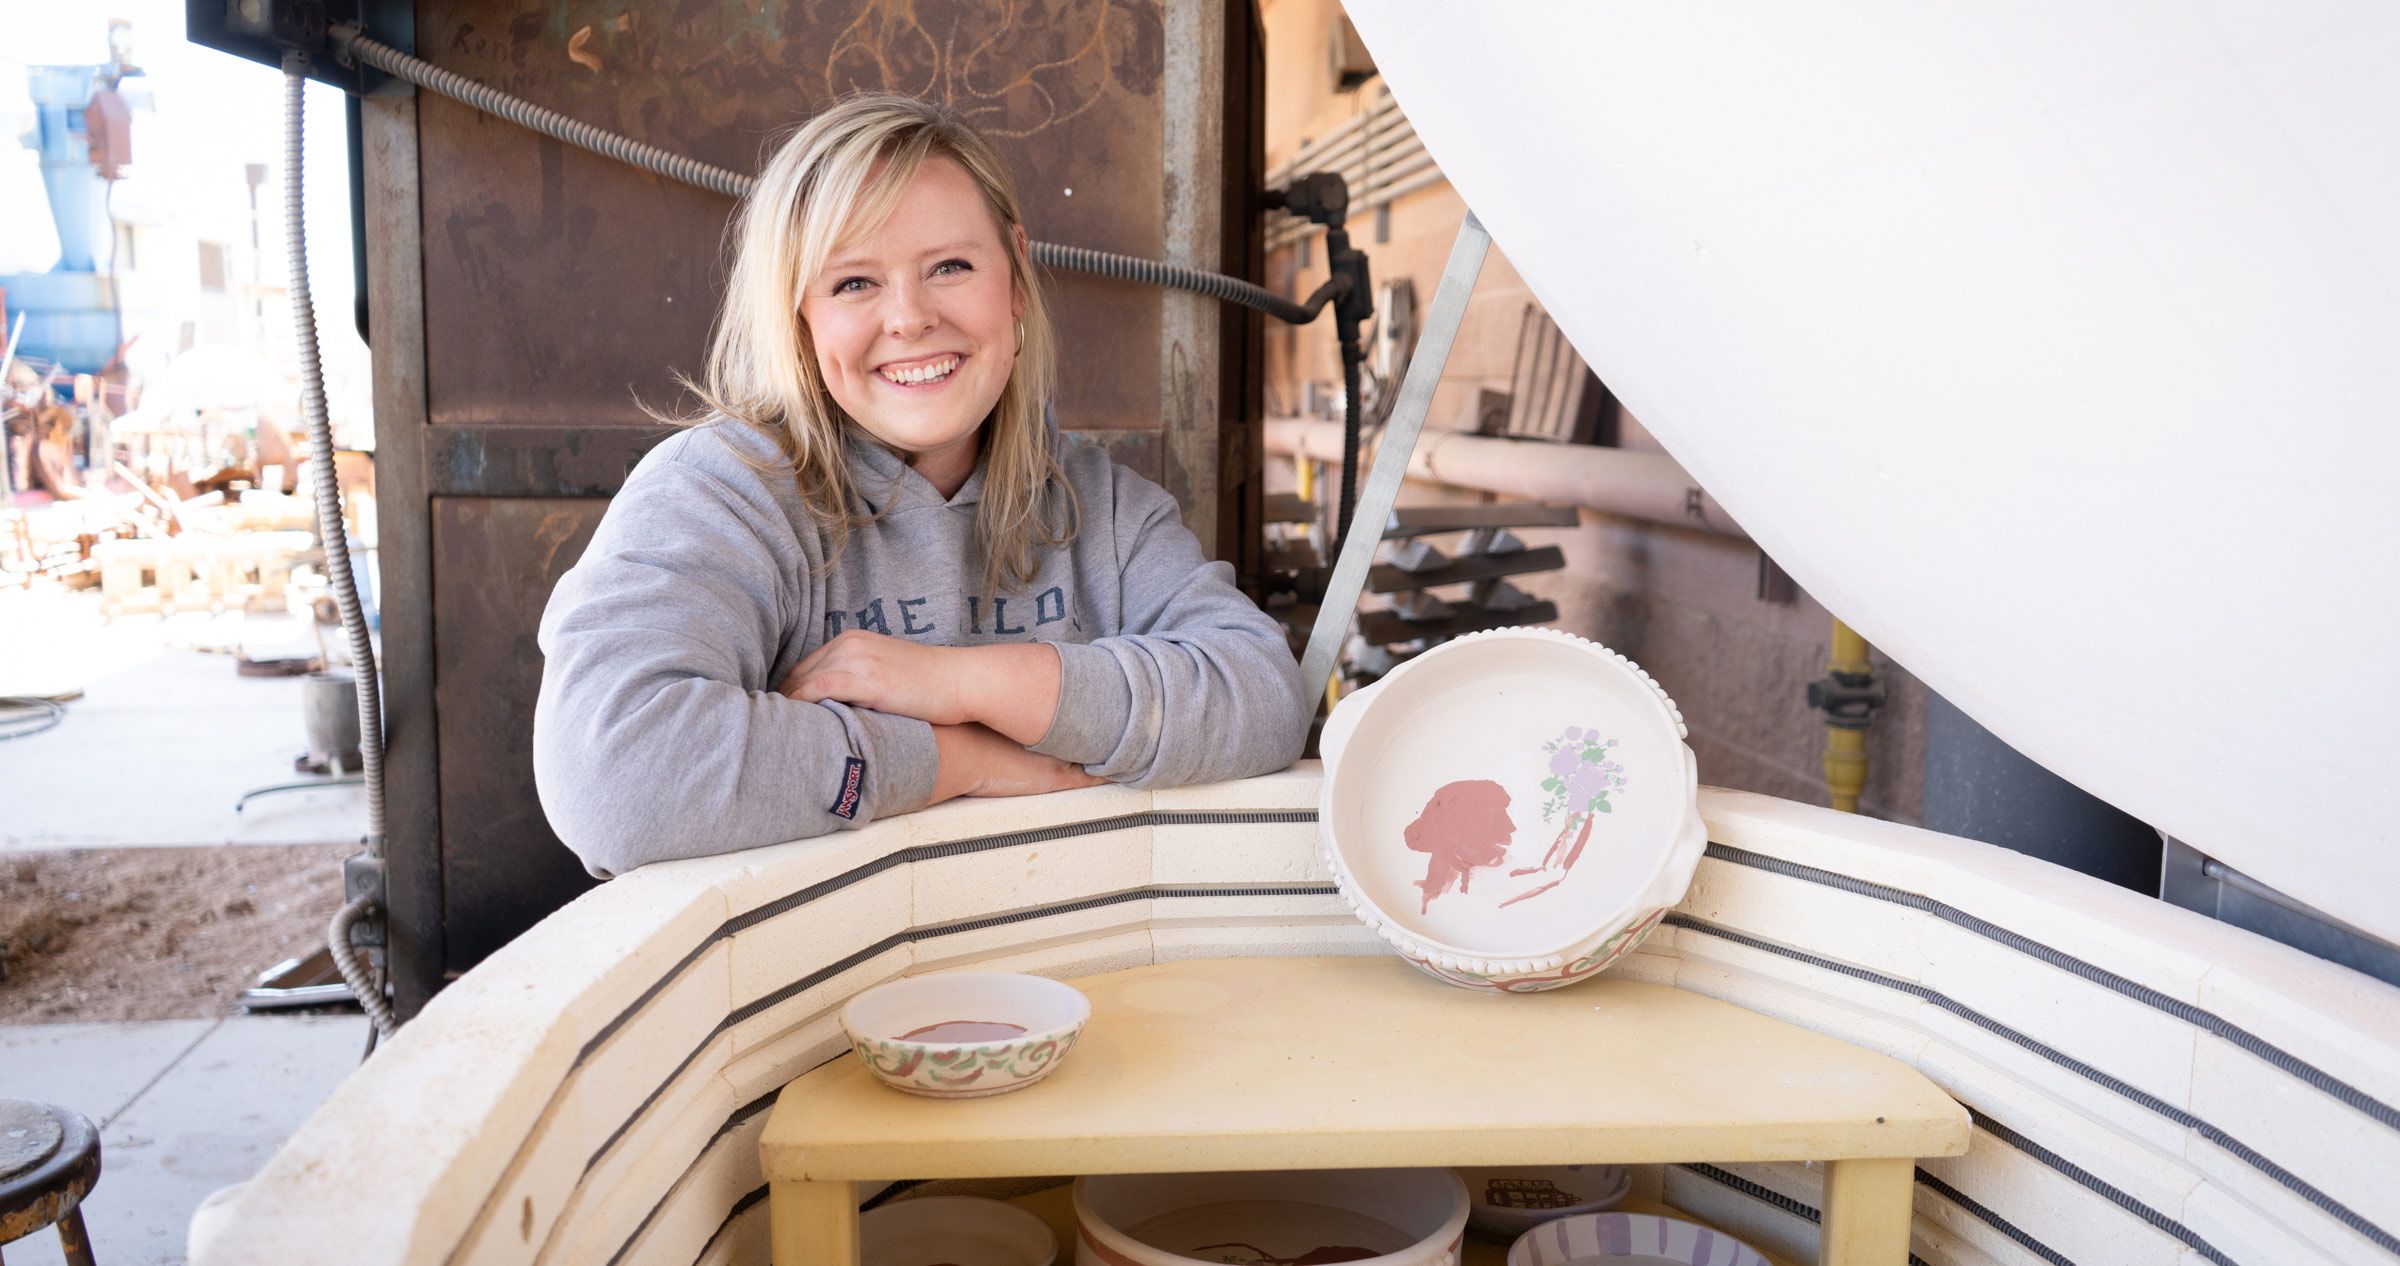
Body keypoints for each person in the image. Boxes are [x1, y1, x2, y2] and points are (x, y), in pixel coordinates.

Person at [532, 94, 1312, 878]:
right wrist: (956, 760)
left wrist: (960, 680)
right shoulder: (722, 494)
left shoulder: (1099, 505)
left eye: (949, 267)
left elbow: (1266, 699)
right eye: (853, 284)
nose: (908, 319)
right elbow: (613, 780)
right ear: (798, 316)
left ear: (1014, 274)